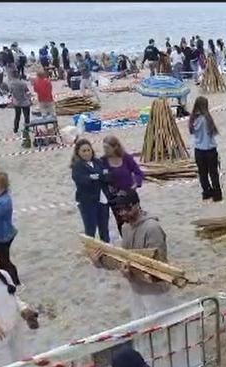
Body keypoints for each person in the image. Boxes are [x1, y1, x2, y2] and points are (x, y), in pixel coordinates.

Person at [90, 190, 174, 319]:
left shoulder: (152, 228)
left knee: (160, 330)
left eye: (126, 208)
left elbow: (158, 267)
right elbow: (123, 258)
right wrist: (99, 261)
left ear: (137, 205)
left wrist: (130, 272)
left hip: (155, 293)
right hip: (136, 290)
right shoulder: (125, 227)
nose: (122, 213)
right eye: (119, 209)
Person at [71, 139, 111, 242]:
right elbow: (80, 180)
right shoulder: (77, 166)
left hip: (103, 200)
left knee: (104, 229)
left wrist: (97, 176)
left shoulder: (98, 162)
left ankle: (106, 250)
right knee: (90, 230)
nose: (87, 153)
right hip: (88, 203)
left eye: (88, 150)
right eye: (83, 151)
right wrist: (95, 176)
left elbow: (107, 176)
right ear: (78, 152)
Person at [101, 135, 144, 232]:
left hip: (130, 195)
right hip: (115, 198)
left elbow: (139, 173)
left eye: (107, 148)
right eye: (104, 147)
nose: (105, 150)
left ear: (115, 147)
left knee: (137, 219)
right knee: (122, 223)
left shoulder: (126, 158)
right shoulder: (102, 161)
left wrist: (136, 183)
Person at [189, 96, 223, 202]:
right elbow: (213, 132)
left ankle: (206, 192)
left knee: (202, 174)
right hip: (210, 149)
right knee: (213, 173)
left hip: (198, 150)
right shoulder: (207, 118)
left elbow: (192, 133)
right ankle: (217, 195)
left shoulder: (193, 119)